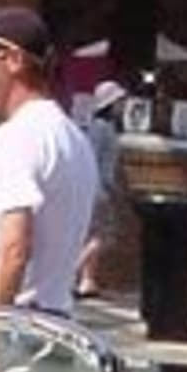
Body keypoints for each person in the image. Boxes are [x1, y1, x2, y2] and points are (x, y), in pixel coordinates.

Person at [0, 5, 97, 320]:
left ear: (14, 60)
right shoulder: (74, 139)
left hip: (14, 328)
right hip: (51, 319)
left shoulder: (16, 137)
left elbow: (13, 247)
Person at [74, 78, 128, 300]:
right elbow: (96, 161)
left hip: (95, 190)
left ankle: (88, 280)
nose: (123, 106)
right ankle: (71, 272)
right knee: (103, 236)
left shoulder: (97, 127)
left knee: (91, 235)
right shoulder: (102, 129)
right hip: (99, 191)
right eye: (120, 101)